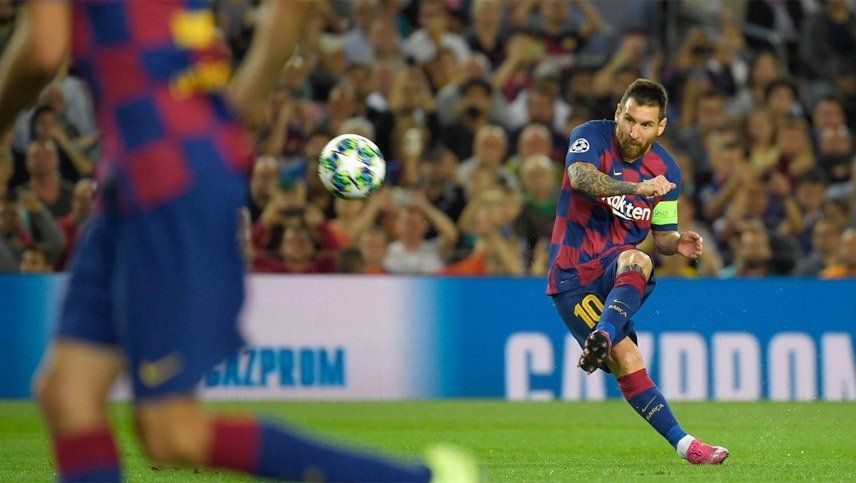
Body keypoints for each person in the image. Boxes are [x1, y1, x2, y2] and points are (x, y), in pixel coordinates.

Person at [0, 2, 473, 482]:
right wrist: (250, 95)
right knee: (69, 394)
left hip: (167, 174)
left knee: (172, 432)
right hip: (134, 178)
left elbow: (44, 50)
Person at [547, 79, 729, 465]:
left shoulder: (667, 170)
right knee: (628, 359)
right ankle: (607, 339)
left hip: (616, 267)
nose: (634, 132)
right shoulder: (590, 136)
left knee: (640, 258)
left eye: (646, 125)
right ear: (618, 112)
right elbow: (580, 178)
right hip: (572, 274)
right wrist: (637, 189)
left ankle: (686, 446)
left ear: (660, 126)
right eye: (629, 120)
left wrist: (676, 243)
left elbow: (662, 235)